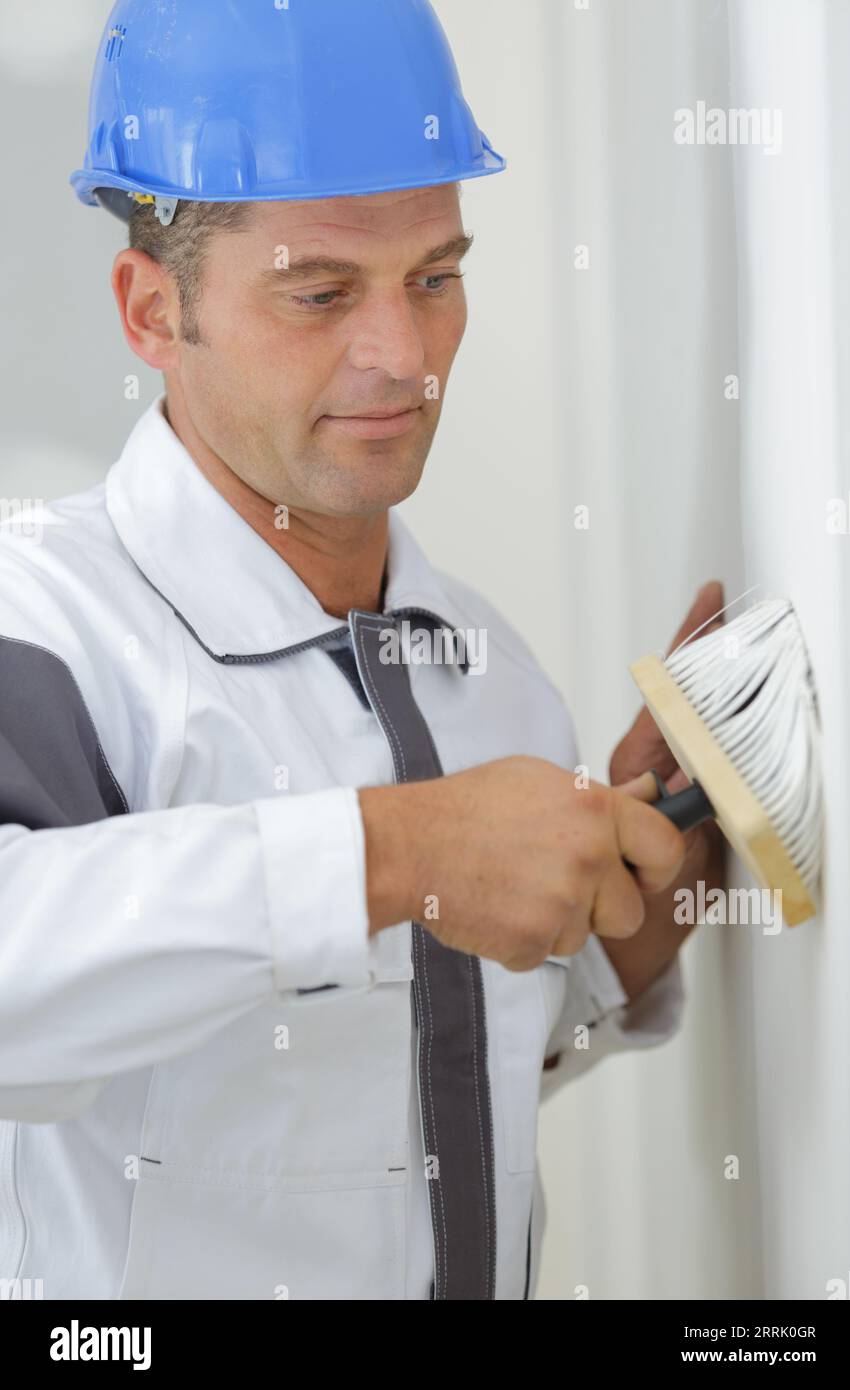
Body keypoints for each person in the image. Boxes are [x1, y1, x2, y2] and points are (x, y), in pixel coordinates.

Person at [0, 0, 723, 1300]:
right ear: (152, 310)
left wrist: (620, 931)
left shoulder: (484, 670)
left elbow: (364, 1094)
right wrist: (399, 850)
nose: (402, 356)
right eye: (320, 292)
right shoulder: (44, 621)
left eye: (434, 278)